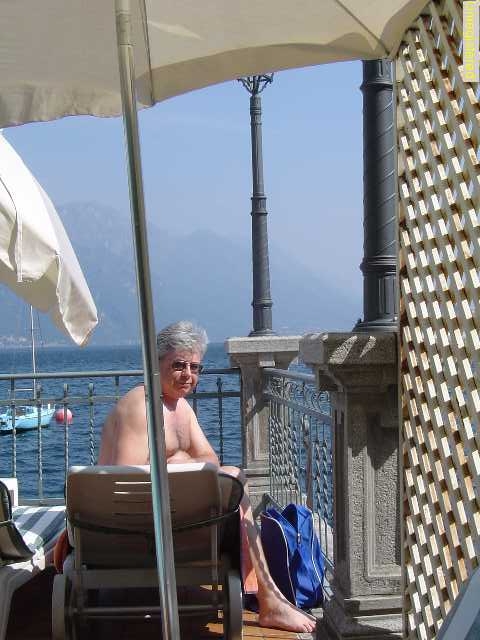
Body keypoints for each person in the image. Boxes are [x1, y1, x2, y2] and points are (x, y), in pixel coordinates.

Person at [99, 320, 317, 634]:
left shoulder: (179, 409)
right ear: (155, 364)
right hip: (134, 531)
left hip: (167, 523)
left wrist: (178, 460)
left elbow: (210, 459)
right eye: (179, 365)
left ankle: (269, 596)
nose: (188, 374)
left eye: (195, 367)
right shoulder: (141, 407)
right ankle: (269, 599)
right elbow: (126, 483)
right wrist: (182, 462)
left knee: (233, 478)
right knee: (234, 484)